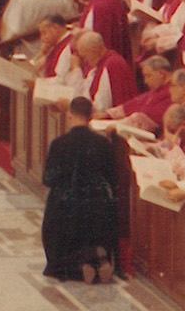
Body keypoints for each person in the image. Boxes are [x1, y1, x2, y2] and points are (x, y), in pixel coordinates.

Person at [39, 94, 129, 282]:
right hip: (96, 209)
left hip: (65, 208)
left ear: (70, 115)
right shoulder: (103, 143)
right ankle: (97, 260)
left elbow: (48, 179)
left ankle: (78, 268)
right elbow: (112, 178)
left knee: (58, 240)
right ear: (91, 115)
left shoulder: (59, 144)